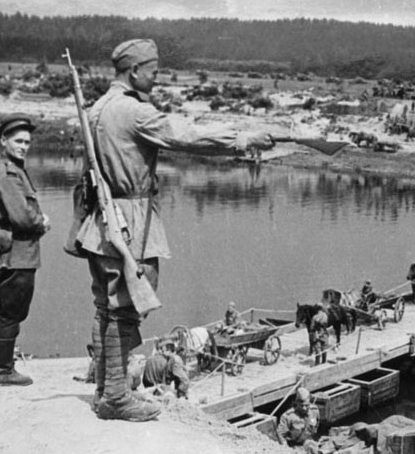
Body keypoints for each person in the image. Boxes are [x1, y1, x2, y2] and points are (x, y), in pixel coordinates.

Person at [65, 39, 274, 421]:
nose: (156, 79)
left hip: (102, 223)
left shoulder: (96, 109)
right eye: (153, 72)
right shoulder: (134, 112)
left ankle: (106, 390)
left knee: (106, 308)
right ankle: (115, 397)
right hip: (130, 223)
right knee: (124, 310)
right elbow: (185, 134)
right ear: (134, 71)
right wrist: (242, 138)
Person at [0, 114, 50, 386]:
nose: (24, 146)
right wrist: (42, 223)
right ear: (3, 141)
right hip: (17, 254)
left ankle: (2, 366)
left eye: (27, 142)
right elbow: (23, 218)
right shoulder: (8, 174)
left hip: (14, 252)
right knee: (10, 311)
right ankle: (3, 371)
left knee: (6, 310)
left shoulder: (12, 169)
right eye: (18, 141)